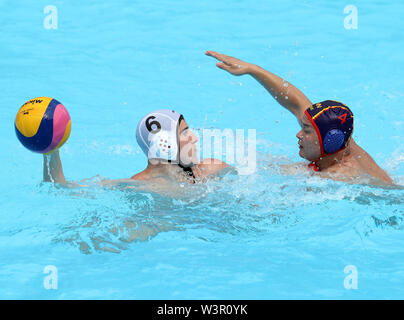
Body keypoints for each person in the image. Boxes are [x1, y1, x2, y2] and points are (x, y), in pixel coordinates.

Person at [206, 50, 393, 185]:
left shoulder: (339, 178)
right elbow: (295, 102)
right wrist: (252, 69)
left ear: (330, 141)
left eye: (306, 130)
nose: (298, 134)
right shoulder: (342, 142)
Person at [43, 109, 229, 188]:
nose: (194, 138)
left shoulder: (212, 170)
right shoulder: (140, 186)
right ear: (164, 142)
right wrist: (50, 150)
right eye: (184, 132)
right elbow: (59, 187)